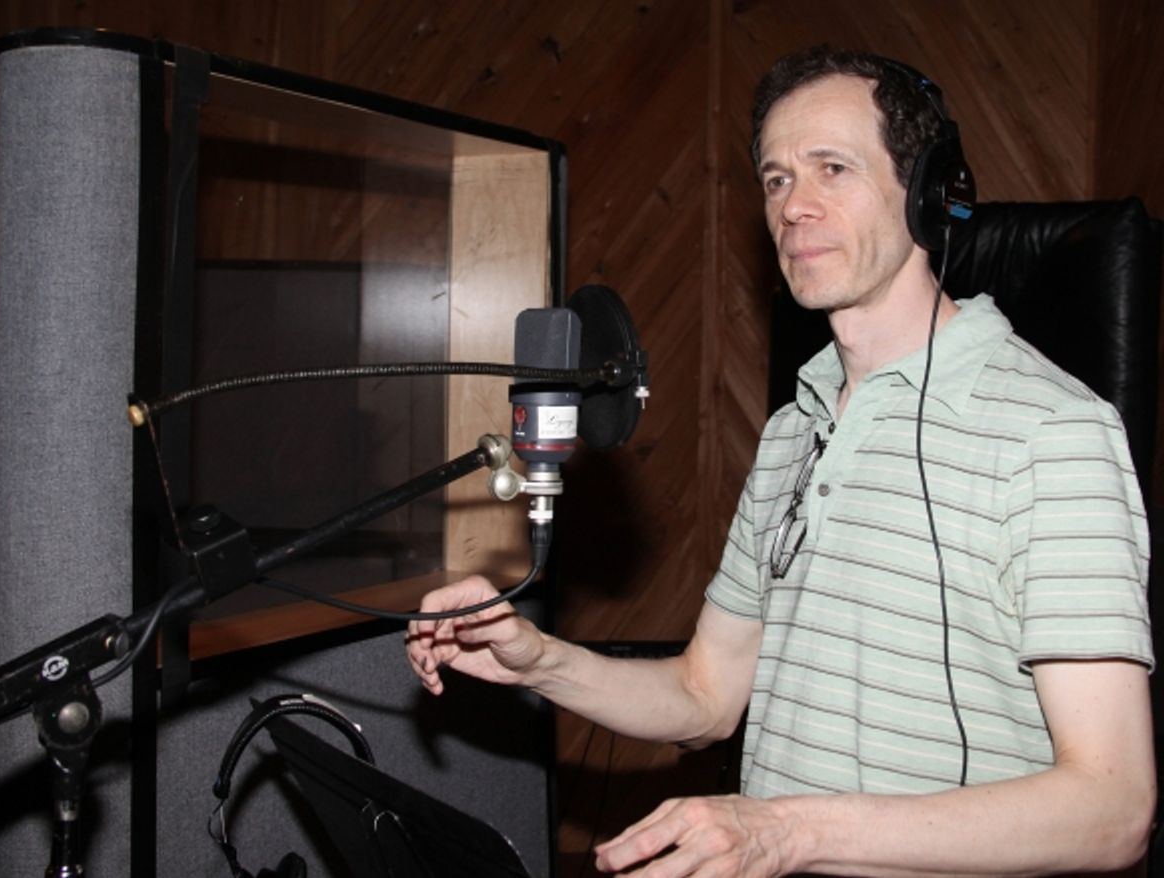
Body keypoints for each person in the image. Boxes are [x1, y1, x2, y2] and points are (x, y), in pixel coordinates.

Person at [406, 45, 1155, 877]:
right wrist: (538, 659)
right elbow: (704, 696)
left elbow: (1113, 811)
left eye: (832, 168)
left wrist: (786, 832)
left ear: (929, 192)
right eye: (775, 178)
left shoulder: (1053, 432)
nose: (794, 205)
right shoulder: (794, 429)